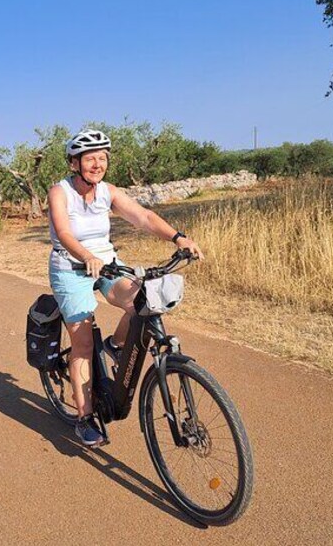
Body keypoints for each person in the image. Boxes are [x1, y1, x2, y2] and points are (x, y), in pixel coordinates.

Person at [48, 129, 204, 447]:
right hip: (71, 269)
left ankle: (117, 347)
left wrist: (178, 238)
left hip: (108, 265)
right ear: (74, 163)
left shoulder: (108, 191)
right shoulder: (60, 192)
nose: (97, 164)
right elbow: (63, 232)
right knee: (82, 345)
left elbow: (144, 217)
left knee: (144, 302)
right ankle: (85, 417)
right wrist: (87, 256)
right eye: (90, 158)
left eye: (102, 158)